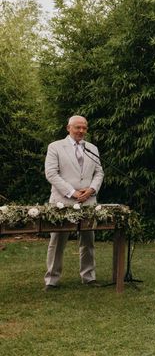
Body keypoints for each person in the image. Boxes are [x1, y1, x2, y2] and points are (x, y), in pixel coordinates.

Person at [43, 115, 104, 290]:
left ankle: (89, 277)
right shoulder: (55, 147)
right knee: (57, 241)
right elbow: (51, 174)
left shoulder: (92, 148)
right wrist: (72, 192)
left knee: (88, 240)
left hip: (88, 201)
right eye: (78, 127)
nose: (81, 131)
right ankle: (52, 280)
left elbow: (99, 172)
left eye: (84, 128)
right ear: (68, 128)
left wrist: (91, 189)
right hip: (63, 201)